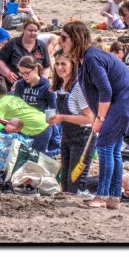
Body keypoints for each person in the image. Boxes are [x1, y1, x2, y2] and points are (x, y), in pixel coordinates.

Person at [61, 22, 129, 210]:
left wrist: (100, 120)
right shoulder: (88, 58)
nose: (61, 42)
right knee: (114, 151)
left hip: (123, 106)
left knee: (104, 149)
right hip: (125, 105)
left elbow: (105, 91)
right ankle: (113, 197)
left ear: (75, 39)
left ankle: (101, 196)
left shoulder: (92, 58)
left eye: (64, 38)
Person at [46, 50, 95, 194]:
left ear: (73, 65)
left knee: (76, 185)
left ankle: (111, 180)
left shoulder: (78, 88)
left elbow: (89, 118)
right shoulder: (60, 86)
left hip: (83, 137)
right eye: (57, 64)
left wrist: (62, 117)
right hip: (67, 136)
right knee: (66, 186)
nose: (60, 68)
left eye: (64, 64)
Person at [0, 77, 52, 152]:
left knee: (34, 158)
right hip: (45, 122)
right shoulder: (11, 97)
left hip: (38, 129)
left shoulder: (0, 105)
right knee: (35, 157)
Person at [12, 55, 57, 154]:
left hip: (41, 127)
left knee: (36, 156)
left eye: (27, 73)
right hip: (23, 125)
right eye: (21, 73)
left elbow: (53, 107)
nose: (24, 76)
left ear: (35, 69)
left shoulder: (47, 86)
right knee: (20, 155)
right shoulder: (20, 84)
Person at [0, 17, 51, 88]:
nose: (33, 33)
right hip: (12, 83)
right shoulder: (13, 43)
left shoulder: (42, 46)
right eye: (30, 30)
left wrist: (42, 81)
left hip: (33, 85)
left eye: (35, 30)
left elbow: (46, 66)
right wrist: (8, 73)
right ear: (24, 30)